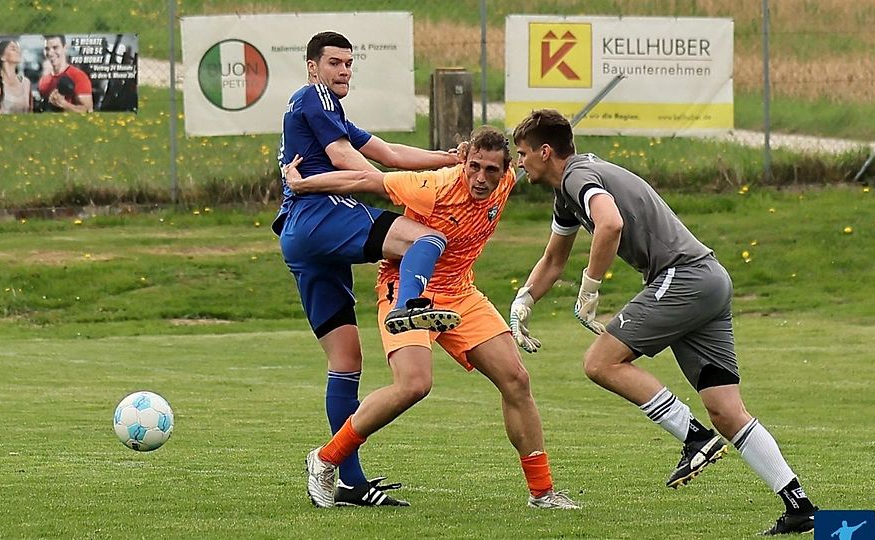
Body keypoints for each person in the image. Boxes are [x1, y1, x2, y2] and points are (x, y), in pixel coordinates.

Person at [508, 109, 818, 535]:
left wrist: (591, 288)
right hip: (709, 279)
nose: (519, 162)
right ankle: (800, 506)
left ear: (545, 152)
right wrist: (523, 300)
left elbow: (610, 223)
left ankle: (694, 438)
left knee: (600, 362)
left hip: (683, 277)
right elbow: (553, 259)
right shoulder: (567, 193)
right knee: (726, 410)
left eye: (522, 153)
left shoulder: (577, 175)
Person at [288, 126, 578, 510]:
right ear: (464, 161)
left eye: (491, 170)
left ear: (506, 168)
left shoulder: (509, 179)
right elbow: (364, 180)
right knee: (413, 384)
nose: (481, 178)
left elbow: (546, 156)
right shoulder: (433, 186)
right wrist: (302, 184)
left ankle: (542, 493)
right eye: (474, 167)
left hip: (460, 292)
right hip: (405, 288)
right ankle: (326, 459)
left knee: (516, 380)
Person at [274, 31, 463, 507]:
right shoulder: (314, 97)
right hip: (321, 216)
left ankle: (349, 482)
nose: (343, 71)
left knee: (345, 361)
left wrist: (449, 162)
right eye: (334, 62)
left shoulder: (328, 111)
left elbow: (390, 153)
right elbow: (349, 162)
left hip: (301, 239)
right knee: (427, 238)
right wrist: (399, 188)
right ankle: (408, 305)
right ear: (312, 66)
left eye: (349, 64)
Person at [38, 35, 93, 113]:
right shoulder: (43, 81)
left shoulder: (79, 76)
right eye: (47, 49)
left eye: (55, 47)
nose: (50, 53)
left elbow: (88, 111)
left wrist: (64, 104)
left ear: (65, 48)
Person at [0, 39, 31, 114]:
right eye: (13, 49)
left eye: (18, 49)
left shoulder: (26, 83)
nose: (19, 52)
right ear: (2, 56)